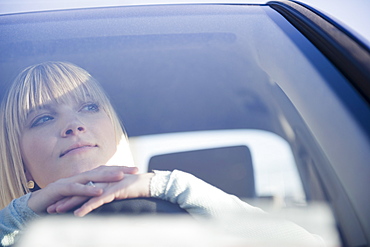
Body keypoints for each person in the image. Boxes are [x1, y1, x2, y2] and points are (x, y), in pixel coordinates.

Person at [0, 62, 324, 246]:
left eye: (89, 107)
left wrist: (169, 186)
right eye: (42, 118)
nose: (73, 125)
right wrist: (18, 217)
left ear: (115, 132)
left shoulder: (193, 221)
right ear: (19, 162)